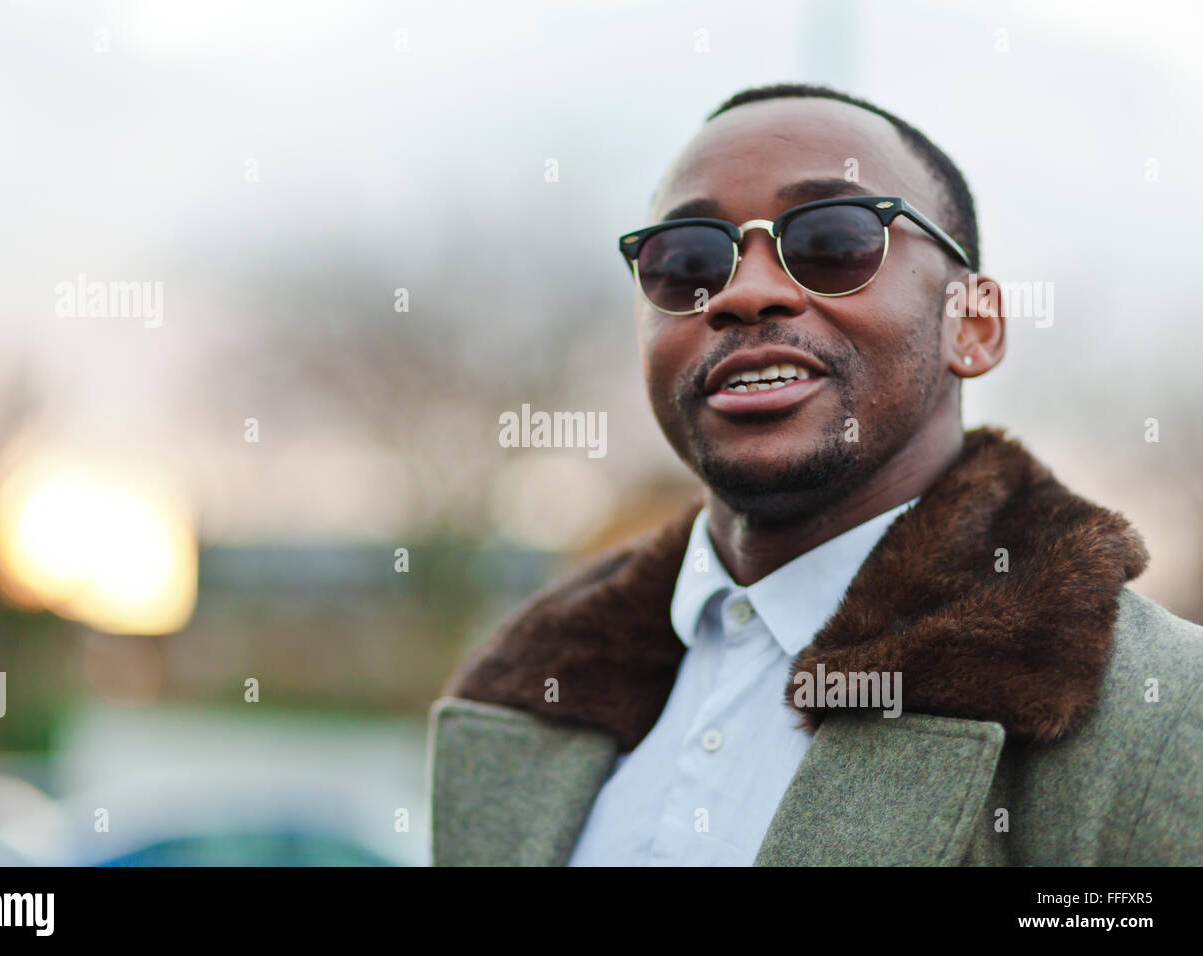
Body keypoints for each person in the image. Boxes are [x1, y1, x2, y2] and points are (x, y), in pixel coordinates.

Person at [427, 84, 1203, 866]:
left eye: (834, 242)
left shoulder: (1163, 713)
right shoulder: (523, 688)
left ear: (973, 323)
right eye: (687, 262)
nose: (744, 292)